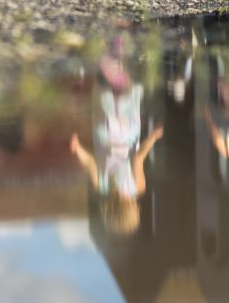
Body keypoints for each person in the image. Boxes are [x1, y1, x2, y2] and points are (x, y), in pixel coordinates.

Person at [69, 38, 165, 235]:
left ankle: (116, 49)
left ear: (133, 210)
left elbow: (138, 159)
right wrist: (78, 149)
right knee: (105, 94)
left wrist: (153, 138)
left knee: (125, 92)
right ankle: (103, 54)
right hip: (104, 133)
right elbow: (90, 163)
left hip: (128, 133)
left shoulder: (137, 188)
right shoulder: (102, 187)